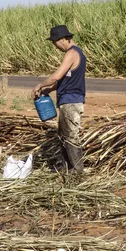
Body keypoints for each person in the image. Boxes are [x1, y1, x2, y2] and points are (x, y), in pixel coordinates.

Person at [32, 25, 86, 174]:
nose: (55, 46)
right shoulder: (76, 53)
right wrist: (47, 89)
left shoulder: (72, 53)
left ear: (62, 39)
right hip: (67, 100)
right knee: (63, 136)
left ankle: (77, 171)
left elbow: (56, 76)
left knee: (70, 136)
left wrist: (40, 85)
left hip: (71, 101)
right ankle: (66, 169)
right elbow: (63, 81)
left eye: (54, 42)